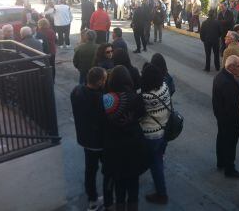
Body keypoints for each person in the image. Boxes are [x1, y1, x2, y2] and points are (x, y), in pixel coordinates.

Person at [101, 66, 149, 211]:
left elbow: (101, 122)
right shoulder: (136, 98)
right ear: (127, 79)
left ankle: (119, 207)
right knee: (133, 185)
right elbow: (142, 115)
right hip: (133, 147)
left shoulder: (105, 100)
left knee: (119, 185)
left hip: (113, 149)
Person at [70, 67, 107, 211]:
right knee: (108, 169)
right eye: (104, 79)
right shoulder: (100, 99)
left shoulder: (77, 91)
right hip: (100, 141)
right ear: (99, 82)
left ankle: (92, 200)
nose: (106, 81)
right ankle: (107, 198)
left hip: (86, 140)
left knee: (90, 171)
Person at [139, 63, 171, 204]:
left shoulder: (145, 96)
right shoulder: (164, 87)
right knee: (158, 159)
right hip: (165, 130)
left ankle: (161, 193)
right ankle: (160, 184)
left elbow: (139, 115)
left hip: (151, 134)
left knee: (154, 163)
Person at [212, 55, 239, 178]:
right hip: (229, 119)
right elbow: (232, 104)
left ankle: (221, 162)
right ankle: (229, 168)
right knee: (230, 142)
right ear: (230, 66)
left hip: (221, 116)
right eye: (237, 66)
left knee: (221, 139)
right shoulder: (227, 82)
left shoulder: (221, 76)